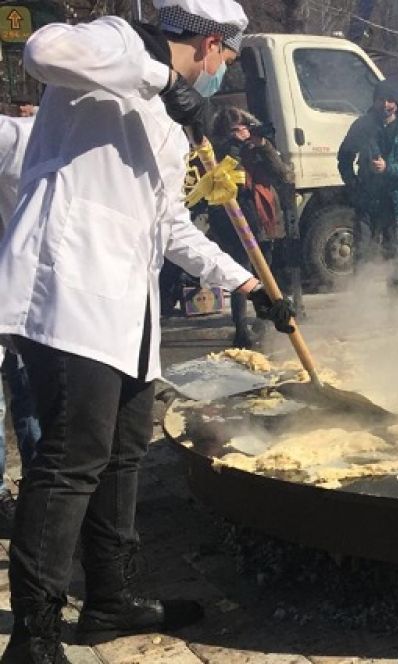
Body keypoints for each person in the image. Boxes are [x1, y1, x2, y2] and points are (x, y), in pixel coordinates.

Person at [0, 0, 298, 659]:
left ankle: (110, 600)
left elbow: (171, 228)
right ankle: (35, 634)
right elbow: (43, 50)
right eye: (222, 59)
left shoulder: (169, 124)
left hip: (125, 315)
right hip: (67, 292)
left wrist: (248, 285)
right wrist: (165, 80)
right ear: (211, 44)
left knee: (125, 452)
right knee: (72, 460)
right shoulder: (113, 45)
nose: (219, 73)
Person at [208, 107, 294, 348]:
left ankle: (264, 322)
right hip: (235, 219)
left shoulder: (258, 148)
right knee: (241, 272)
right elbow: (223, 174)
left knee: (265, 270)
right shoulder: (220, 150)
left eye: (244, 127)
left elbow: (281, 173)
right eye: (237, 129)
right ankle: (240, 328)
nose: (243, 132)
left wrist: (263, 145)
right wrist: (235, 146)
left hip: (264, 217)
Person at [337, 78, 398, 296]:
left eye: (390, 100)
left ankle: (393, 304)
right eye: (380, 100)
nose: (385, 105)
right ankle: (360, 301)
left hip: (395, 201)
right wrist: (353, 185)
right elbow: (344, 157)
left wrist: (389, 168)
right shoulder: (362, 125)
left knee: (393, 252)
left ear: (397, 103)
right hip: (367, 199)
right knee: (362, 249)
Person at [0, 114, 41, 521]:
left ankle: (37, 488)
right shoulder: (16, 135)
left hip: (35, 293)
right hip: (13, 284)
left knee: (33, 394)